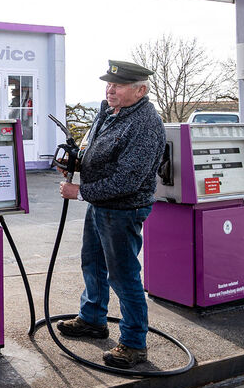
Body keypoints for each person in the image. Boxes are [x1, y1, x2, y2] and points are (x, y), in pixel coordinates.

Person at [56, 60, 166, 368]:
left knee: (123, 275)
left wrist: (80, 192)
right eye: (109, 84)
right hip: (101, 207)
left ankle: (133, 343)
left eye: (118, 86)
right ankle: (93, 319)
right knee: (92, 263)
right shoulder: (110, 113)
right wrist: (76, 164)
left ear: (140, 90)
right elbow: (101, 154)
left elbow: (128, 179)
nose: (110, 89)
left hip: (122, 211)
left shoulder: (145, 124)